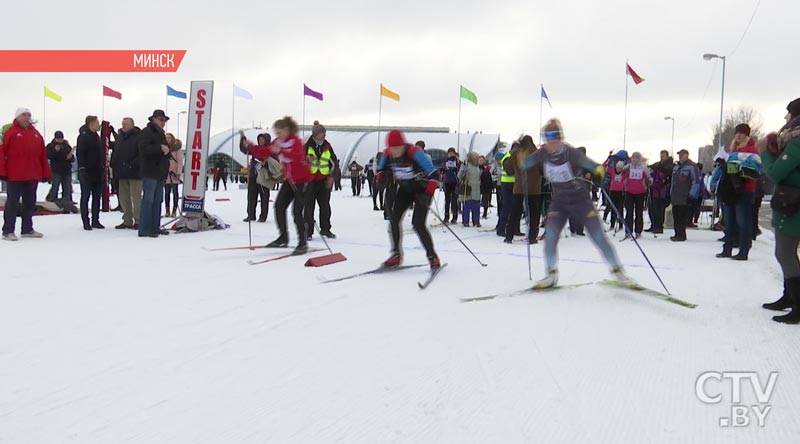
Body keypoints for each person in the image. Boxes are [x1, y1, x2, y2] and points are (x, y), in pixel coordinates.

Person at [523, 119, 631, 288]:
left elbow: (593, 165)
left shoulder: (570, 153)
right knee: (550, 237)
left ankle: (619, 272)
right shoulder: (543, 153)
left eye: (555, 140)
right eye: (548, 141)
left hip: (580, 200)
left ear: (560, 138)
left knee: (598, 237)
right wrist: (522, 156)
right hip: (559, 201)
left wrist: (598, 171)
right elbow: (525, 163)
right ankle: (551, 274)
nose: (551, 145)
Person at [376, 130, 441, 269]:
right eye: (391, 148)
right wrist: (381, 179)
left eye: (397, 148)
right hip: (405, 189)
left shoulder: (414, 152)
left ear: (403, 145)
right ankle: (396, 255)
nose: (394, 151)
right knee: (393, 220)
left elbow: (435, 175)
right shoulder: (387, 154)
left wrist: (428, 192)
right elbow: (380, 171)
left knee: (418, 224)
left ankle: (432, 257)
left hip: (422, 190)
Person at [761, 98, 800, 323]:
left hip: (793, 206)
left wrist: (766, 153)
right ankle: (789, 298)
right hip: (791, 203)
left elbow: (775, 173)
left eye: (788, 114)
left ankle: (797, 305)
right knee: (786, 254)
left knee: (785, 253)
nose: (785, 118)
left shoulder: (796, 141)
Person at [0, 107, 51, 241]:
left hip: (32, 174)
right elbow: (2, 153)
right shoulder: (9, 132)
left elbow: (42, 156)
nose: (27, 117)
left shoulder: (36, 134)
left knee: (30, 203)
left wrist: (45, 173)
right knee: (12, 203)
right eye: (24, 115)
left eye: (28, 115)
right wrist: (2, 172)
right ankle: (8, 231)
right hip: (14, 175)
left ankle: (27, 229)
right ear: (17, 117)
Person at [265, 116, 313, 255]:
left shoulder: (295, 141)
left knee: (297, 212)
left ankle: (303, 243)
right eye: (276, 133)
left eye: (279, 132)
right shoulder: (277, 142)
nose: (278, 136)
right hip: (290, 180)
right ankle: (283, 237)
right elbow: (266, 151)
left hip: (303, 180)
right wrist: (249, 148)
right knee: (279, 206)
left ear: (287, 130)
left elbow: (297, 156)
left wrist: (280, 151)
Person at [716, 124, 761, 260]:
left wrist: (736, 167)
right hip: (730, 190)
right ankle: (727, 248)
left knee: (743, 221)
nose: (738, 136)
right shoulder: (732, 150)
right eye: (737, 133)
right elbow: (730, 169)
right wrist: (724, 165)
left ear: (747, 135)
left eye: (741, 134)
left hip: (745, 190)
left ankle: (743, 250)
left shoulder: (752, 150)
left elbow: (755, 170)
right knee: (729, 221)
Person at [137, 109, 171, 238]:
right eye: (161, 120)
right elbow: (143, 148)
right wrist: (159, 148)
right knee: (148, 200)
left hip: (160, 172)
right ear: (154, 119)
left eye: (165, 120)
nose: (163, 123)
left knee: (158, 200)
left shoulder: (161, 134)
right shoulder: (146, 132)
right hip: (150, 171)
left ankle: (155, 226)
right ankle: (145, 228)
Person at [504, 135, 542, 244]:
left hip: (519, 188)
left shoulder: (515, 153)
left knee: (514, 212)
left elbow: (508, 169)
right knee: (534, 214)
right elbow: (543, 170)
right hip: (534, 189)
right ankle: (532, 237)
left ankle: (509, 236)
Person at [304, 121, 337, 239]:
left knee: (325, 207)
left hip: (323, 182)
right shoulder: (307, 146)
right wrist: (307, 160)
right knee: (309, 207)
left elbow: (334, 163)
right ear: (315, 134)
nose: (324, 134)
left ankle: (326, 229)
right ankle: (308, 232)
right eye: (322, 133)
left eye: (325, 132)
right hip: (310, 182)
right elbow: (299, 163)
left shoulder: (327, 146)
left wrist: (331, 176)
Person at [109, 118, 142, 229]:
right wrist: (114, 164)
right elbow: (115, 151)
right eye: (123, 123)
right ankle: (127, 220)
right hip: (121, 172)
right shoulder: (120, 138)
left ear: (132, 125)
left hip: (134, 172)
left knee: (136, 197)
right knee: (124, 198)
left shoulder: (138, 137)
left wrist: (132, 164)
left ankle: (138, 220)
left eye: (126, 124)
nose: (124, 125)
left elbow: (141, 154)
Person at [77, 115, 105, 230]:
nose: (99, 125)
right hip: (87, 172)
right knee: (86, 196)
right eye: (97, 123)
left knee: (97, 197)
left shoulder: (96, 136)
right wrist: (82, 168)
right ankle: (85, 221)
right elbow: (80, 153)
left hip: (97, 172)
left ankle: (95, 220)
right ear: (91, 124)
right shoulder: (83, 136)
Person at [240, 131, 272, 222]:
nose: (261, 141)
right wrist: (243, 138)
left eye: (263, 139)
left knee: (264, 198)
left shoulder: (270, 150)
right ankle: (251, 215)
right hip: (254, 177)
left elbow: (275, 163)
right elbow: (244, 149)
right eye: (259, 139)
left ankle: (263, 216)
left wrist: (265, 163)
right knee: (251, 197)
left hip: (264, 178)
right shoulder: (255, 149)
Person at [670, 149, 701, 242]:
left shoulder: (692, 167)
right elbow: (672, 181)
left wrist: (692, 194)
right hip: (675, 195)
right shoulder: (676, 167)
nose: (680, 156)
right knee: (675, 215)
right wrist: (670, 193)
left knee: (682, 215)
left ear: (687, 155)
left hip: (685, 195)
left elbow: (696, 181)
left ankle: (681, 234)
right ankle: (677, 233)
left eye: (682, 155)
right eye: (679, 155)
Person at [622, 152, 652, 239]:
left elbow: (650, 178)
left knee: (639, 213)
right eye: (633, 158)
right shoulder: (628, 167)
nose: (634, 159)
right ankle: (628, 231)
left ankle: (638, 231)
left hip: (640, 192)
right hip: (629, 192)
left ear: (639, 159)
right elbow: (621, 174)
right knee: (629, 212)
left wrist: (648, 182)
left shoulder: (643, 168)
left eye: (636, 158)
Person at [45, 130, 76, 212]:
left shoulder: (66, 146)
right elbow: (47, 156)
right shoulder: (50, 146)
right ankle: (52, 200)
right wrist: (55, 151)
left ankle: (67, 201)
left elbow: (73, 158)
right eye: (58, 139)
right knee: (55, 186)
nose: (60, 140)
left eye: (61, 139)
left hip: (66, 170)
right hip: (56, 170)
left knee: (67, 187)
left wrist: (71, 157)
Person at [645, 151, 673, 234]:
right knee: (652, 208)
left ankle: (659, 226)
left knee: (660, 209)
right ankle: (653, 225)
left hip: (664, 190)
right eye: (661, 156)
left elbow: (667, 173)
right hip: (655, 189)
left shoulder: (670, 165)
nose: (662, 157)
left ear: (667, 156)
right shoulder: (657, 164)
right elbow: (650, 168)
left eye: (663, 156)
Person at [496, 143, 518, 237]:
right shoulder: (507, 157)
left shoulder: (517, 158)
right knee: (507, 207)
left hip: (515, 184)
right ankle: (501, 229)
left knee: (516, 208)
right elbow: (509, 171)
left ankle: (515, 229)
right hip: (507, 184)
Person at [457, 151, 483, 227]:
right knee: (466, 206)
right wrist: (463, 170)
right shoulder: (466, 165)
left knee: (476, 206)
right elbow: (459, 176)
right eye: (475, 156)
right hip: (467, 188)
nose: (477, 158)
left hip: (476, 189)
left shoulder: (478, 166)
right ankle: (465, 221)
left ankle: (476, 221)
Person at [164, 133, 183, 218]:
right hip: (166, 174)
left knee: (175, 192)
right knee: (167, 193)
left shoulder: (177, 150)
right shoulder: (164, 148)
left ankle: (174, 210)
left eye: (169, 137)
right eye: (166, 138)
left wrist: (178, 173)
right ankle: (167, 210)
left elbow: (179, 162)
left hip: (174, 174)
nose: (167, 139)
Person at [441, 147, 462, 224]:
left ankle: (455, 216)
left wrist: (456, 169)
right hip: (447, 182)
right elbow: (442, 169)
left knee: (454, 200)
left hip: (455, 182)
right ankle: (446, 216)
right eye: (449, 153)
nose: (451, 155)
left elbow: (461, 169)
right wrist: (442, 169)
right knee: (447, 200)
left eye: (452, 153)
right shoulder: (445, 161)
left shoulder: (457, 161)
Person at [608, 160, 626, 233]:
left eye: (620, 168)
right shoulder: (612, 171)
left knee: (620, 208)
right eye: (617, 167)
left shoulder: (624, 173)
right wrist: (608, 160)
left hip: (621, 192)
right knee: (613, 208)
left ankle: (621, 224)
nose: (618, 169)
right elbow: (604, 167)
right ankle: (612, 224)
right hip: (613, 191)